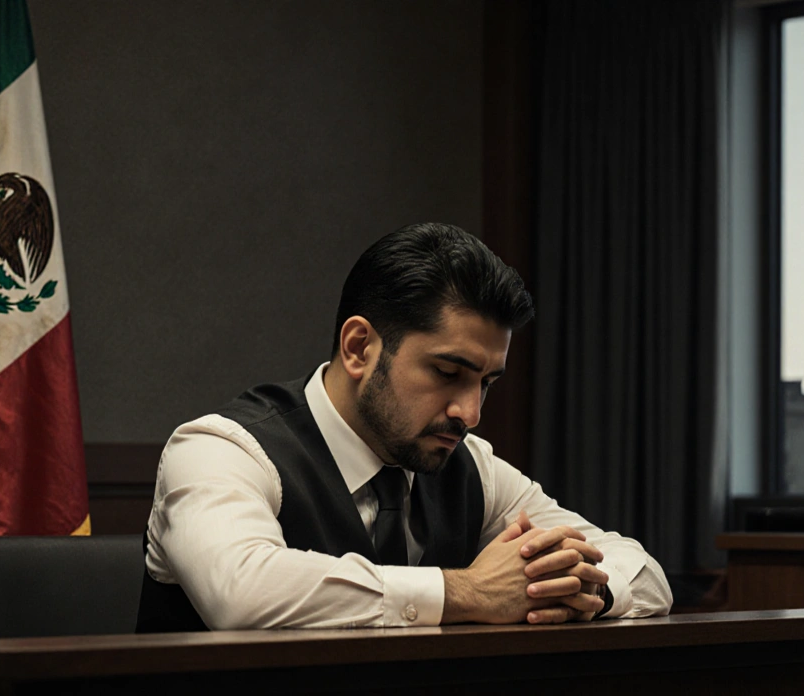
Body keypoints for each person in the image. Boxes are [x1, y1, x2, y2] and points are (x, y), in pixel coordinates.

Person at [137, 223, 672, 631]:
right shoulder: (221, 448)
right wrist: (469, 592)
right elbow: (240, 592)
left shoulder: (470, 467)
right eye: (447, 372)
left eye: (486, 382)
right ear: (359, 348)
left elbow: (644, 574)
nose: (470, 413)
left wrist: (581, 592)